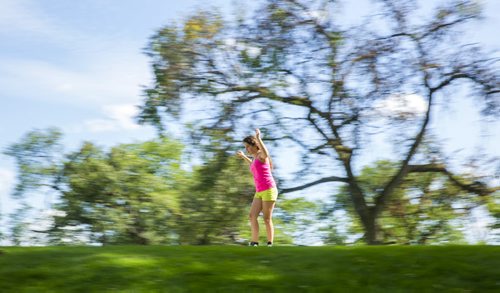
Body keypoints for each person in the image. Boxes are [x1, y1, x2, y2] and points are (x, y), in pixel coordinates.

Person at [236, 128, 278, 247]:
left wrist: (259, 138)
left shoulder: (261, 155)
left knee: (266, 218)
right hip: (259, 191)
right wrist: (244, 156)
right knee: (252, 215)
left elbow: (266, 154)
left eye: (248, 146)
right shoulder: (255, 159)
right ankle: (254, 242)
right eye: (245, 147)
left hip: (269, 190)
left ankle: (270, 244)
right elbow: (252, 165)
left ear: (255, 145)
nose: (247, 149)